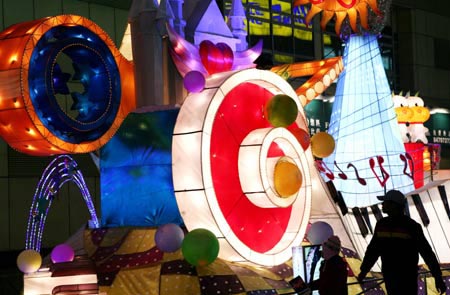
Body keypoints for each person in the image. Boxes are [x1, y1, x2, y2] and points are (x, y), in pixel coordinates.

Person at [357, 189, 447, 295]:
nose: (382, 205)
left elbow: (427, 253)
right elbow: (373, 250)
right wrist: (437, 277)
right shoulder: (406, 225)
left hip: (403, 279)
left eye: (385, 202)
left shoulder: (393, 226)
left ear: (393, 205)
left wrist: (363, 271)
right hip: (398, 278)